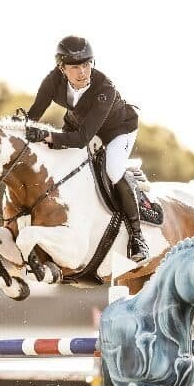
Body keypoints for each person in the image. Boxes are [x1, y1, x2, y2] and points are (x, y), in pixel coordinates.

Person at [24, 35, 148, 263]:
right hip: (80, 124)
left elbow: (81, 139)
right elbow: (33, 115)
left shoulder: (105, 88)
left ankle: (137, 237)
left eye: (86, 64)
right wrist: (19, 127)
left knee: (112, 170)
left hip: (118, 130)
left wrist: (47, 136)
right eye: (74, 67)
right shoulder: (52, 81)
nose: (82, 72)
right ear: (62, 69)